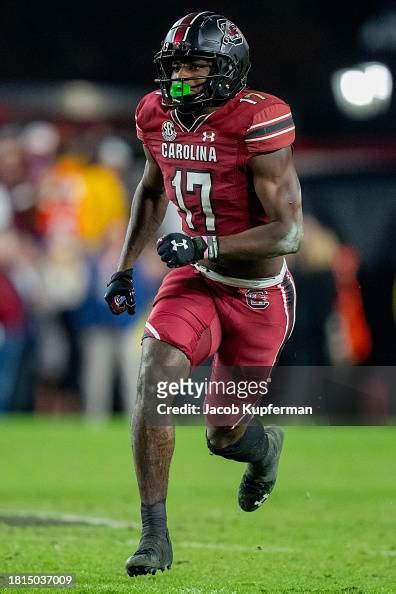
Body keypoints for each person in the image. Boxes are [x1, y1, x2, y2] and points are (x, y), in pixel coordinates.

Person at [104, 11, 303, 577]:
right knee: (154, 376)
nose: (182, 78)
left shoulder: (260, 120)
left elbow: (289, 232)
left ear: (229, 71)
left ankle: (263, 451)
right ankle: (153, 536)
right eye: (176, 66)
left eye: (196, 65)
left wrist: (205, 246)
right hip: (197, 280)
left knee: (224, 436)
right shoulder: (154, 114)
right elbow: (151, 190)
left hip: (258, 293)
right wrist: (124, 268)